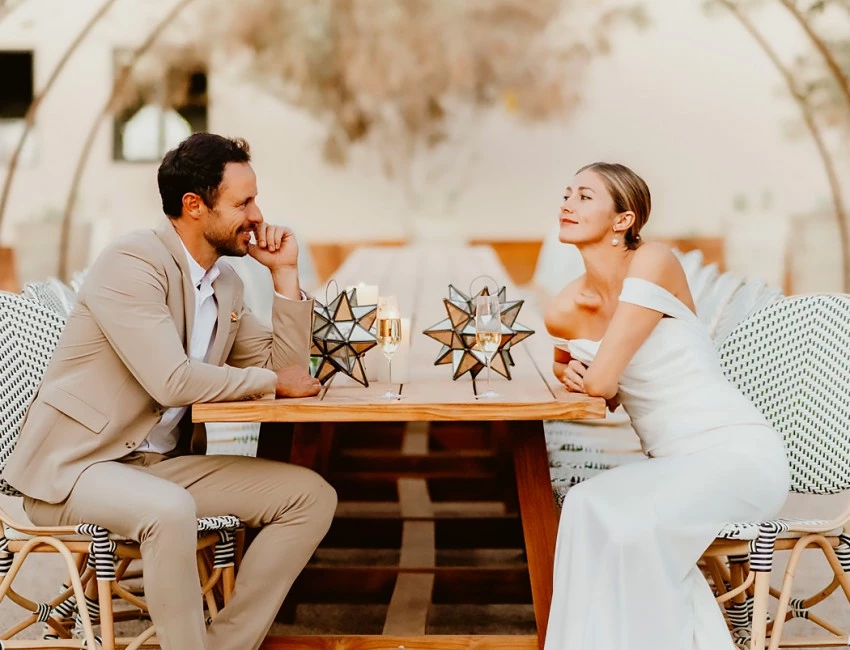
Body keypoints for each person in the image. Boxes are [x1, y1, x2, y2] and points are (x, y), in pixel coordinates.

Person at [3, 133, 336, 650]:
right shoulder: (131, 263)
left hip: (158, 470)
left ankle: (222, 645)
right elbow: (172, 379)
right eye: (243, 202)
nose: (257, 215)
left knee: (310, 497)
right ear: (194, 206)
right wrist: (272, 383)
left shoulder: (224, 282)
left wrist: (285, 276)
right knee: (169, 510)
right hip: (74, 471)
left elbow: (292, 372)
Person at [542, 162, 789, 649]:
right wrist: (565, 372)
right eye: (567, 193)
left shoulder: (654, 261)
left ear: (623, 220)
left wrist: (585, 376)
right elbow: (604, 393)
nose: (567, 203)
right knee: (586, 506)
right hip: (673, 467)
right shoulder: (564, 307)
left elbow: (605, 379)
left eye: (585, 196)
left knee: (634, 527)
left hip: (738, 456)